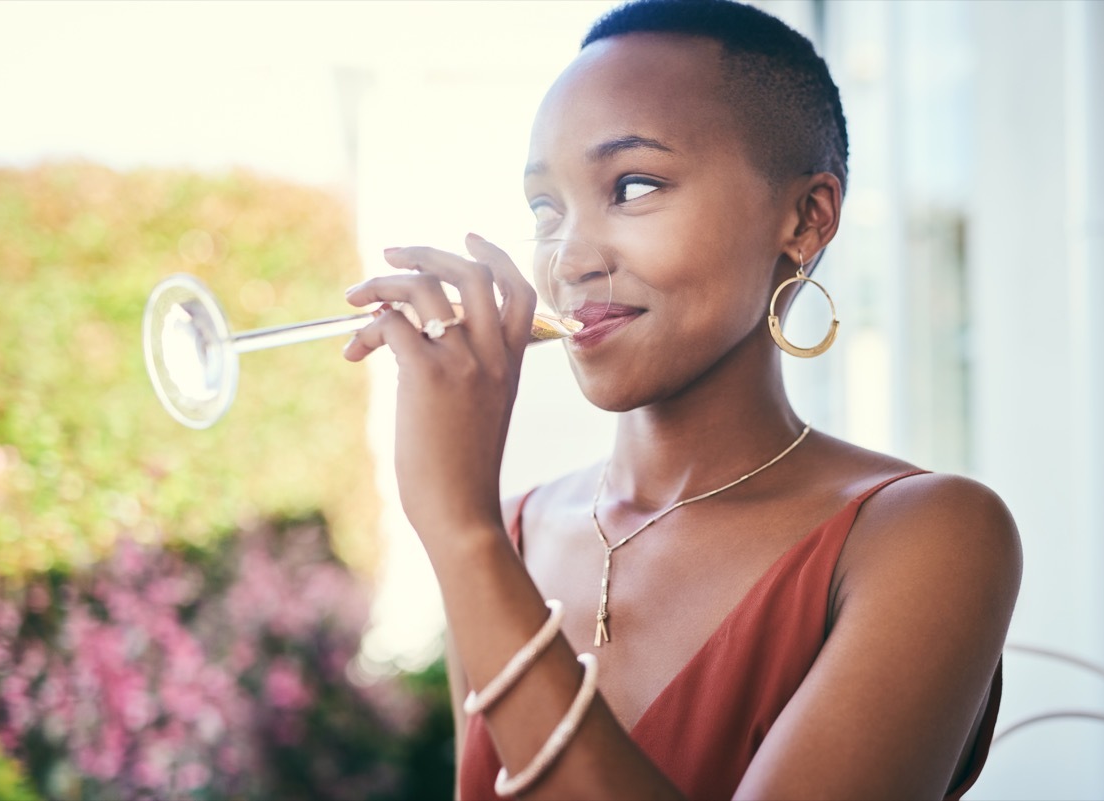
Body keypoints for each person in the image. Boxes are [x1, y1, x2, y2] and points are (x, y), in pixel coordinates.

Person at [342, 0, 1022, 797]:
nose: (570, 258)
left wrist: (460, 532)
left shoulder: (929, 536)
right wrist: (475, 534)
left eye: (632, 186)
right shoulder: (517, 532)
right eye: (545, 207)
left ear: (805, 219)